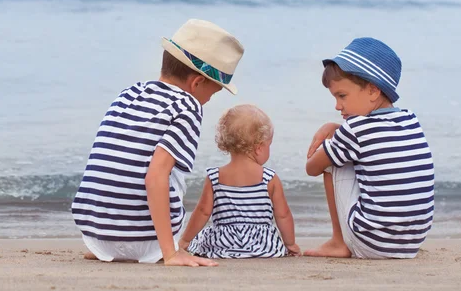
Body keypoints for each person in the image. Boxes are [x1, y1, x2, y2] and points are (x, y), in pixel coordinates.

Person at [71, 19, 245, 266]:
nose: (207, 100)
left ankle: (111, 246)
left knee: (128, 153)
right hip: (144, 243)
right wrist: (171, 253)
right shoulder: (187, 107)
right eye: (213, 92)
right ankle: (161, 246)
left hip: (96, 236)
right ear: (197, 83)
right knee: (169, 171)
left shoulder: (129, 93)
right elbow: (155, 177)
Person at [305, 37, 434, 259]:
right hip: (410, 244)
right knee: (347, 152)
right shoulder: (410, 119)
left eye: (342, 95)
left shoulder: (356, 128)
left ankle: (338, 242)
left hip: (373, 243)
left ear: (373, 91)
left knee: (333, 160)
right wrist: (337, 131)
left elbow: (313, 168)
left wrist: (328, 138)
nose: (337, 106)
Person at [180, 104, 300, 258]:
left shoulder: (215, 177)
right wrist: (290, 244)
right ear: (259, 147)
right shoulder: (269, 178)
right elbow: (283, 215)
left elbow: (203, 212)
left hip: (223, 243)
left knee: (201, 242)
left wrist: (185, 240)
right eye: (269, 145)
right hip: (261, 245)